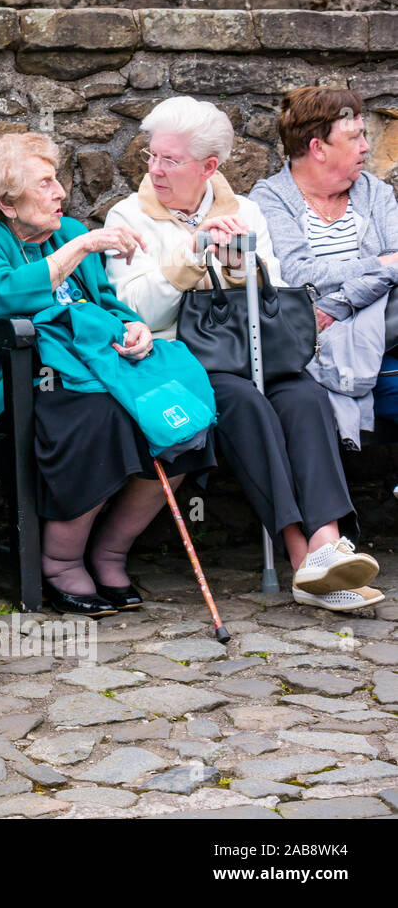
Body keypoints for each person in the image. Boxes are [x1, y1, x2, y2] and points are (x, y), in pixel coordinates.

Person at [104, 97, 382, 612]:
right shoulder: (127, 215)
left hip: (254, 349)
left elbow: (273, 296)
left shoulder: (247, 211)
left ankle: (327, 542)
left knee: (305, 398)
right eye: (152, 156)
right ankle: (304, 561)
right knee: (246, 405)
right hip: (184, 358)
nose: (155, 169)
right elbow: (131, 306)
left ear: (209, 167)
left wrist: (242, 266)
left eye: (170, 160)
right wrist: (190, 255)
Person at [0, 132, 214, 618]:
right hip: (28, 375)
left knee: (182, 416)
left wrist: (135, 326)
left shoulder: (67, 228)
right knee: (99, 416)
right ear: (7, 203)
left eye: (57, 180)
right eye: (46, 183)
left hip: (99, 362)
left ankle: (111, 550)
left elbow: (101, 301)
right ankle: (60, 558)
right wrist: (82, 246)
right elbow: (0, 297)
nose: (60, 193)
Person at [250, 87, 398, 447]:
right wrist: (377, 265)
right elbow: (299, 273)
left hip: (382, 328)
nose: (366, 146)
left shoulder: (374, 192)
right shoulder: (269, 199)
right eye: (355, 137)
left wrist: (340, 300)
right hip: (317, 340)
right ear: (318, 148)